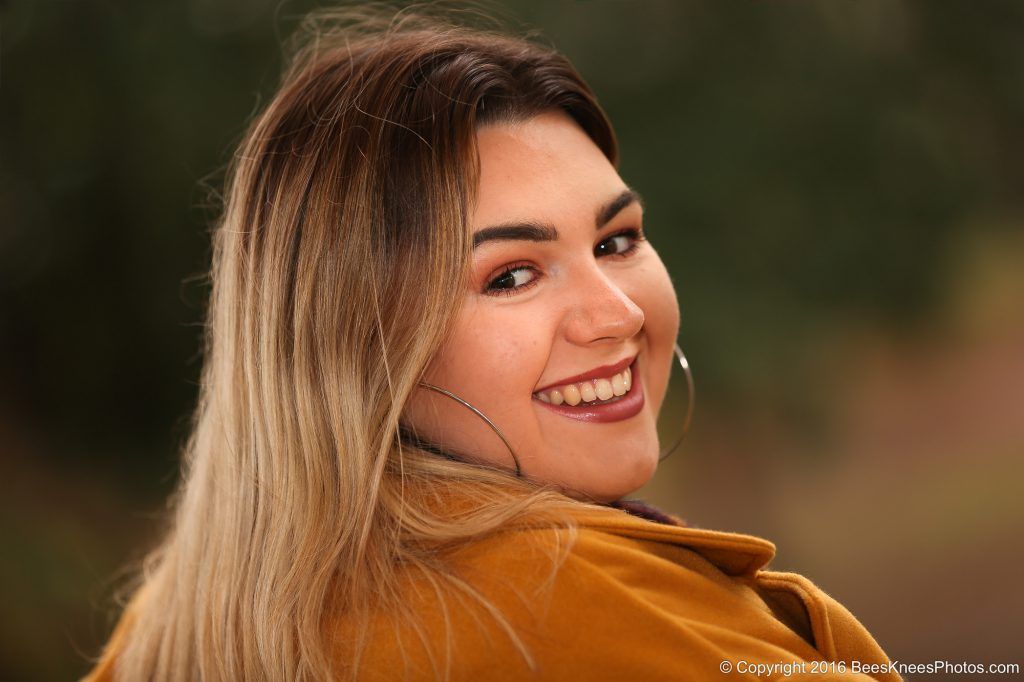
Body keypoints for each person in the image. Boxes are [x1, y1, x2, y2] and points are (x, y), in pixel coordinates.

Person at [84, 6, 899, 681]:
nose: (615, 314)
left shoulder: (178, 624)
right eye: (511, 276)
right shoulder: (575, 605)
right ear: (359, 349)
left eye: (616, 240)